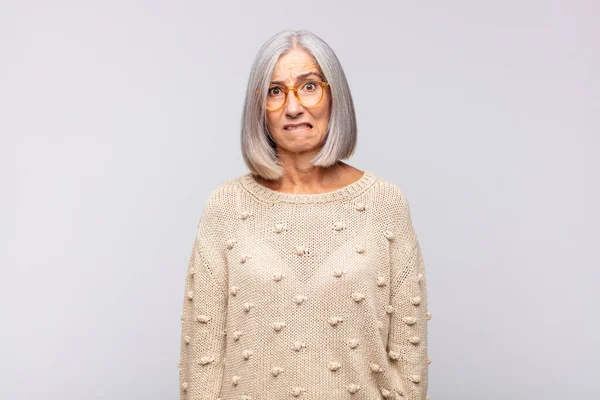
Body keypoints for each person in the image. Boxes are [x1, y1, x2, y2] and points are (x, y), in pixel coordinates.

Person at [178, 29, 432, 400]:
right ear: (258, 107)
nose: (293, 107)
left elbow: (409, 360)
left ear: (335, 96)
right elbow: (201, 361)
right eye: (275, 91)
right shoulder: (226, 207)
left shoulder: (385, 204)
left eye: (309, 86)